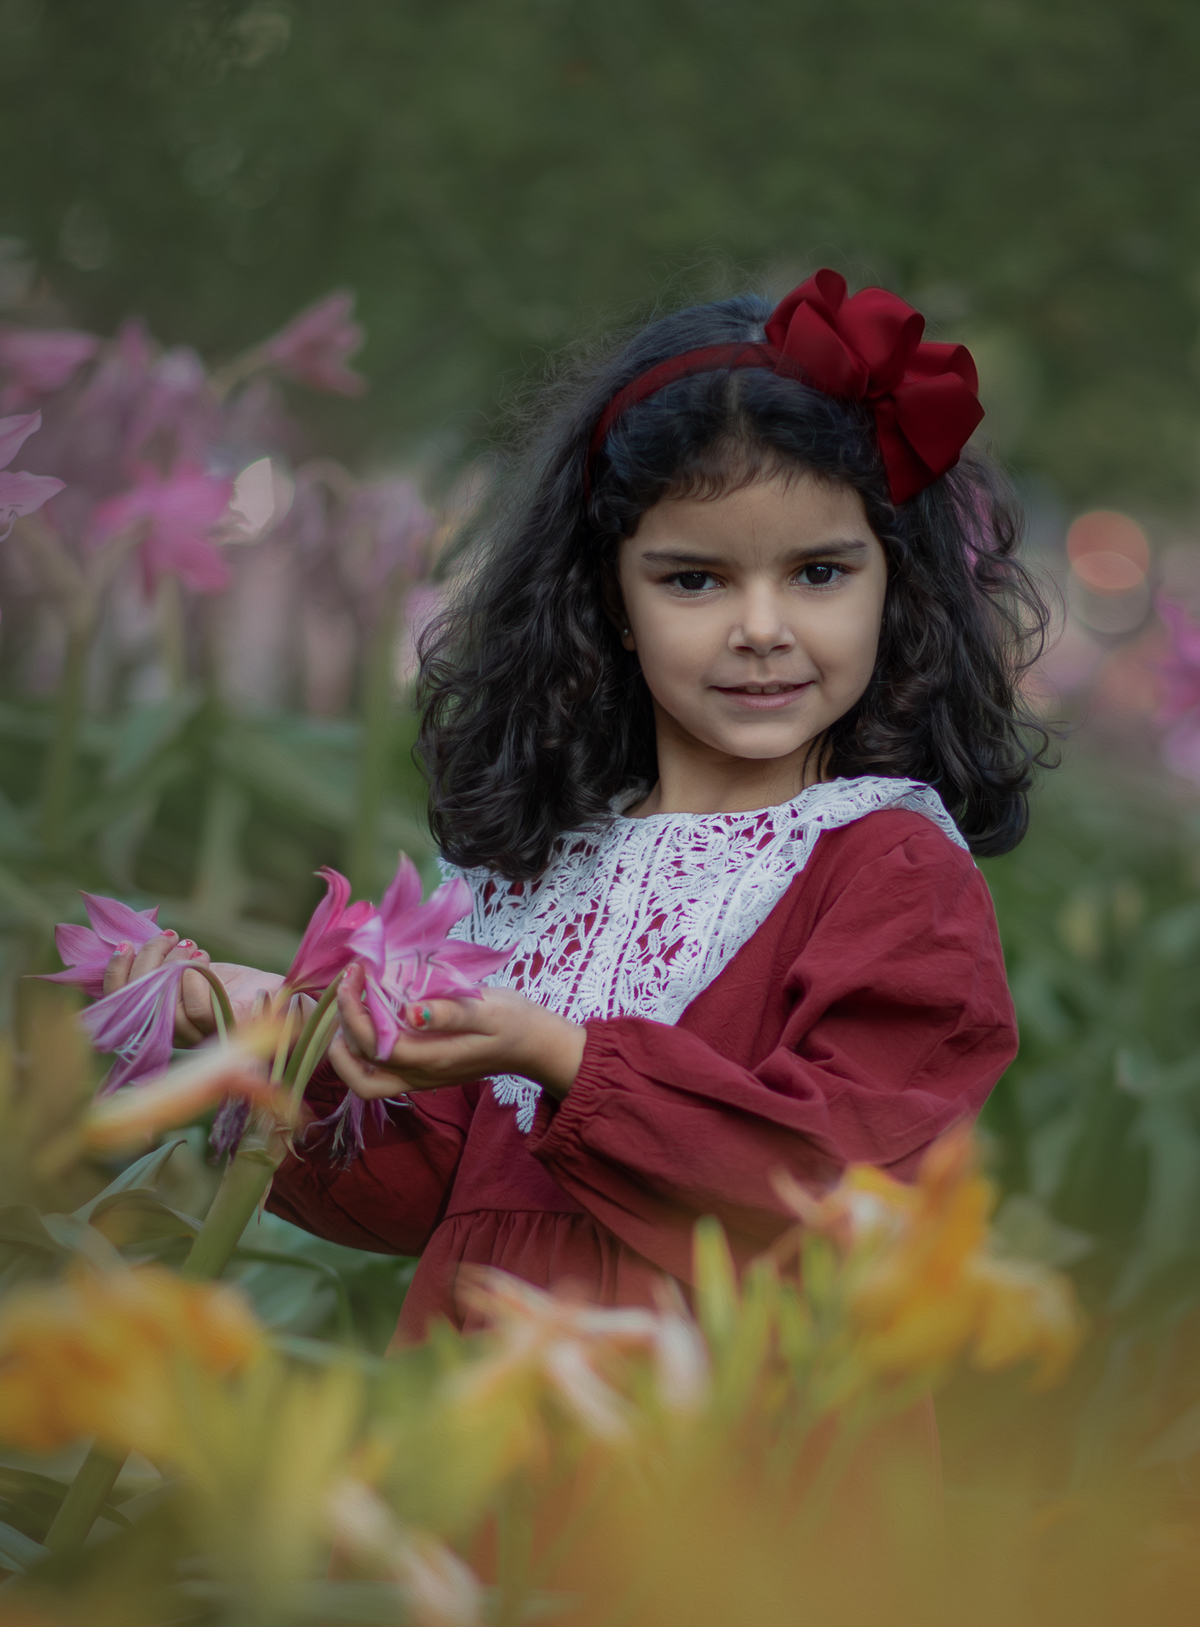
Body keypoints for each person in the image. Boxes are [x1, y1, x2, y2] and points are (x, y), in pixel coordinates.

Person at [106, 269, 1048, 1345]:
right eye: (694, 580)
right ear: (611, 598)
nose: (760, 626)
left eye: (819, 572)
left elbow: (844, 1196)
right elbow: (416, 1196)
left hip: (719, 1454)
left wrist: (560, 1055)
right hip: (478, 1425)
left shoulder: (889, 869)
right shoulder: (535, 870)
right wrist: (263, 1036)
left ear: (898, 584)